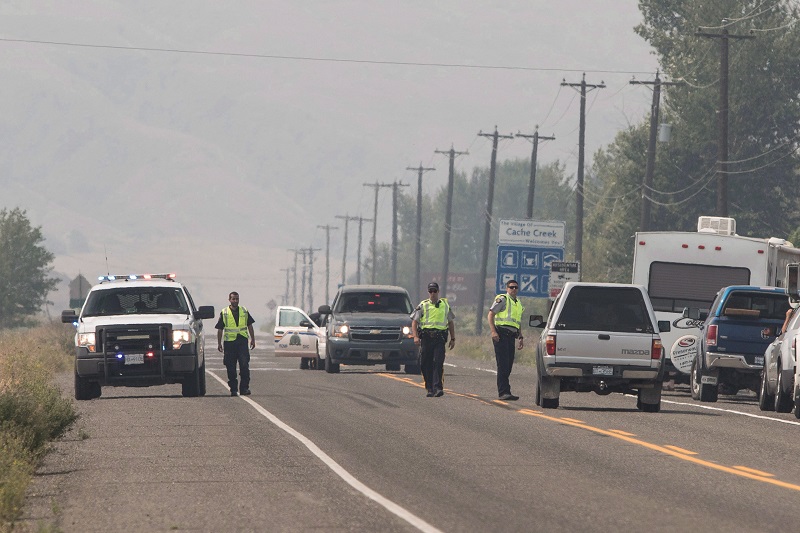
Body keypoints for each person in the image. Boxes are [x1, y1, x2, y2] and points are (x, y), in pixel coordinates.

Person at [411, 282, 455, 397]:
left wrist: (453, 338)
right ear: (428, 292)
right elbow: (414, 321)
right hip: (426, 338)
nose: (433, 293)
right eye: (430, 291)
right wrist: (415, 336)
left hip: (439, 338)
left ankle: (438, 388)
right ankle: (429, 387)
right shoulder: (423, 305)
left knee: (438, 362)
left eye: (434, 291)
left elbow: (450, 322)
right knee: (425, 363)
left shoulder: (445, 305)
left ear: (438, 291)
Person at [487, 279, 524, 401]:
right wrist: (493, 331)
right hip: (501, 334)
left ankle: (505, 390)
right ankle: (503, 392)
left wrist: (520, 336)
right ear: (507, 288)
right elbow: (490, 314)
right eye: (511, 287)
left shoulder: (518, 303)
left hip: (511, 336)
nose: (514, 289)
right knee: (502, 364)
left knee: (508, 364)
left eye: (516, 287)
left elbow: (517, 321)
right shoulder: (503, 299)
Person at [216, 291, 255, 396]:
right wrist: (219, 343)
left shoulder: (244, 311)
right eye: (233, 299)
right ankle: (233, 389)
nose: (235, 301)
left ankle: (244, 388)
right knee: (231, 367)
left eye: (237, 299)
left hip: (242, 341)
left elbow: (250, 326)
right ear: (229, 300)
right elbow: (220, 329)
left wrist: (253, 339)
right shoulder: (224, 312)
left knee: (244, 365)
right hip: (229, 344)